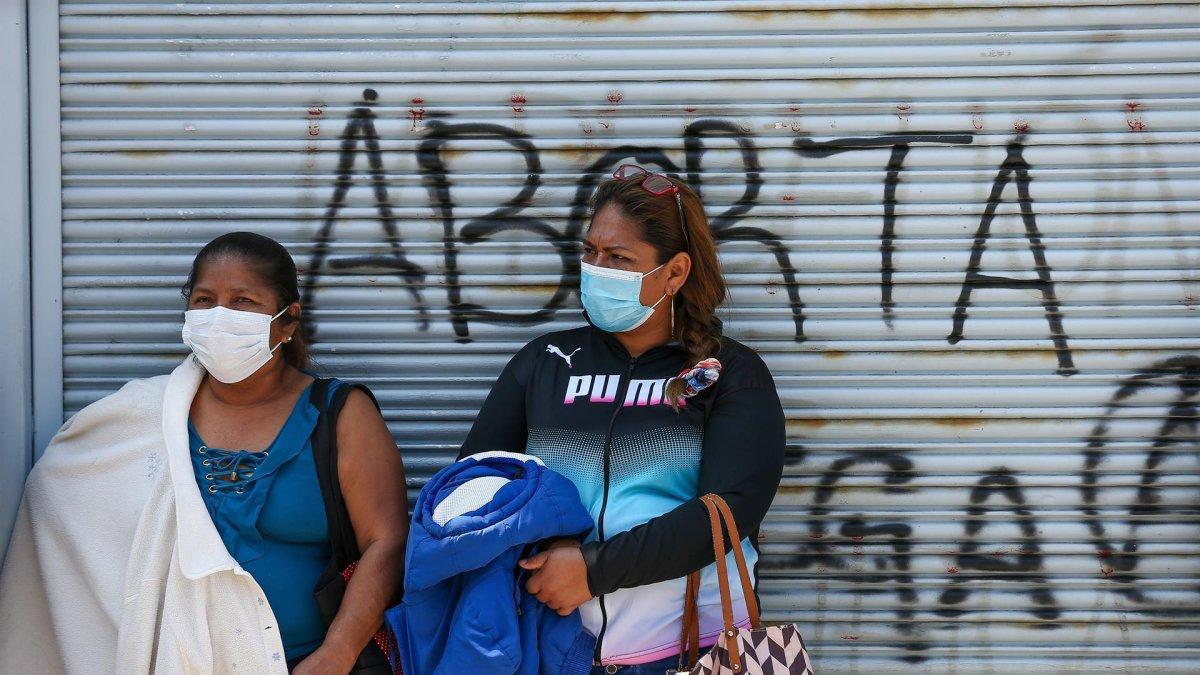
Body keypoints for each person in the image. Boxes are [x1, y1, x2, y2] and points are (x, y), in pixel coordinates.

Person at [0, 232, 408, 674]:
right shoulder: (141, 416)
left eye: (243, 302)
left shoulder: (340, 414)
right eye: (204, 299)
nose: (219, 317)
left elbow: (386, 544)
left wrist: (338, 652)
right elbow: (56, 503)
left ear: (288, 322)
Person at [458, 165, 786, 674]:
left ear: (675, 273)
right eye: (590, 252)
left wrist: (593, 570)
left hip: (687, 651)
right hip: (547, 646)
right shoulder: (545, 362)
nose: (596, 268)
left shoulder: (732, 373)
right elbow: (472, 487)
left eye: (619, 258)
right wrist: (545, 537)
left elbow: (727, 512)